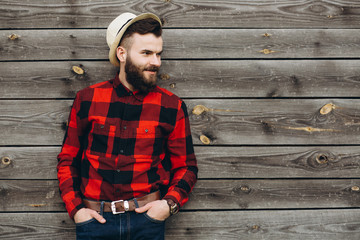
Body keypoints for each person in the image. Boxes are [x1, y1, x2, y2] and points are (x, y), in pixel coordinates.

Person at [57, 12, 198, 240]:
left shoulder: (171, 106)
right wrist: (76, 210)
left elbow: (187, 167)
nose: (156, 62)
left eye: (158, 54)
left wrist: (168, 205)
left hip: (147, 223)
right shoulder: (87, 100)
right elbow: (67, 159)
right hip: (95, 223)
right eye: (146, 53)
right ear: (121, 54)